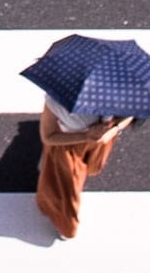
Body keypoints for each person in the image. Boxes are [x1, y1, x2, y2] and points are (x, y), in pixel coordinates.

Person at [35, 95, 133, 240]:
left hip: (93, 140)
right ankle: (66, 225)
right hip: (70, 146)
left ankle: (48, 161)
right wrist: (91, 135)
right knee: (67, 189)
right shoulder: (57, 101)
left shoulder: (58, 98)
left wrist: (112, 130)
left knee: (64, 180)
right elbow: (48, 137)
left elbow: (131, 113)